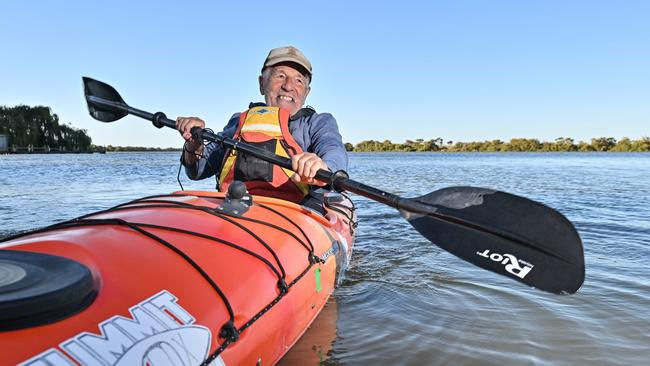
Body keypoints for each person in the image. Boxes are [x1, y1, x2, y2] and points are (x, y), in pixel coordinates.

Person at [176, 46, 348, 206]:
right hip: (237, 213)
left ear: (306, 92)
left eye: (298, 80)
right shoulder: (239, 122)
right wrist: (194, 142)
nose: (288, 86)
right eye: (280, 76)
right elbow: (197, 171)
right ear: (261, 83)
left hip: (297, 217)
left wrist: (323, 166)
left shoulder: (318, 123)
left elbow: (334, 150)